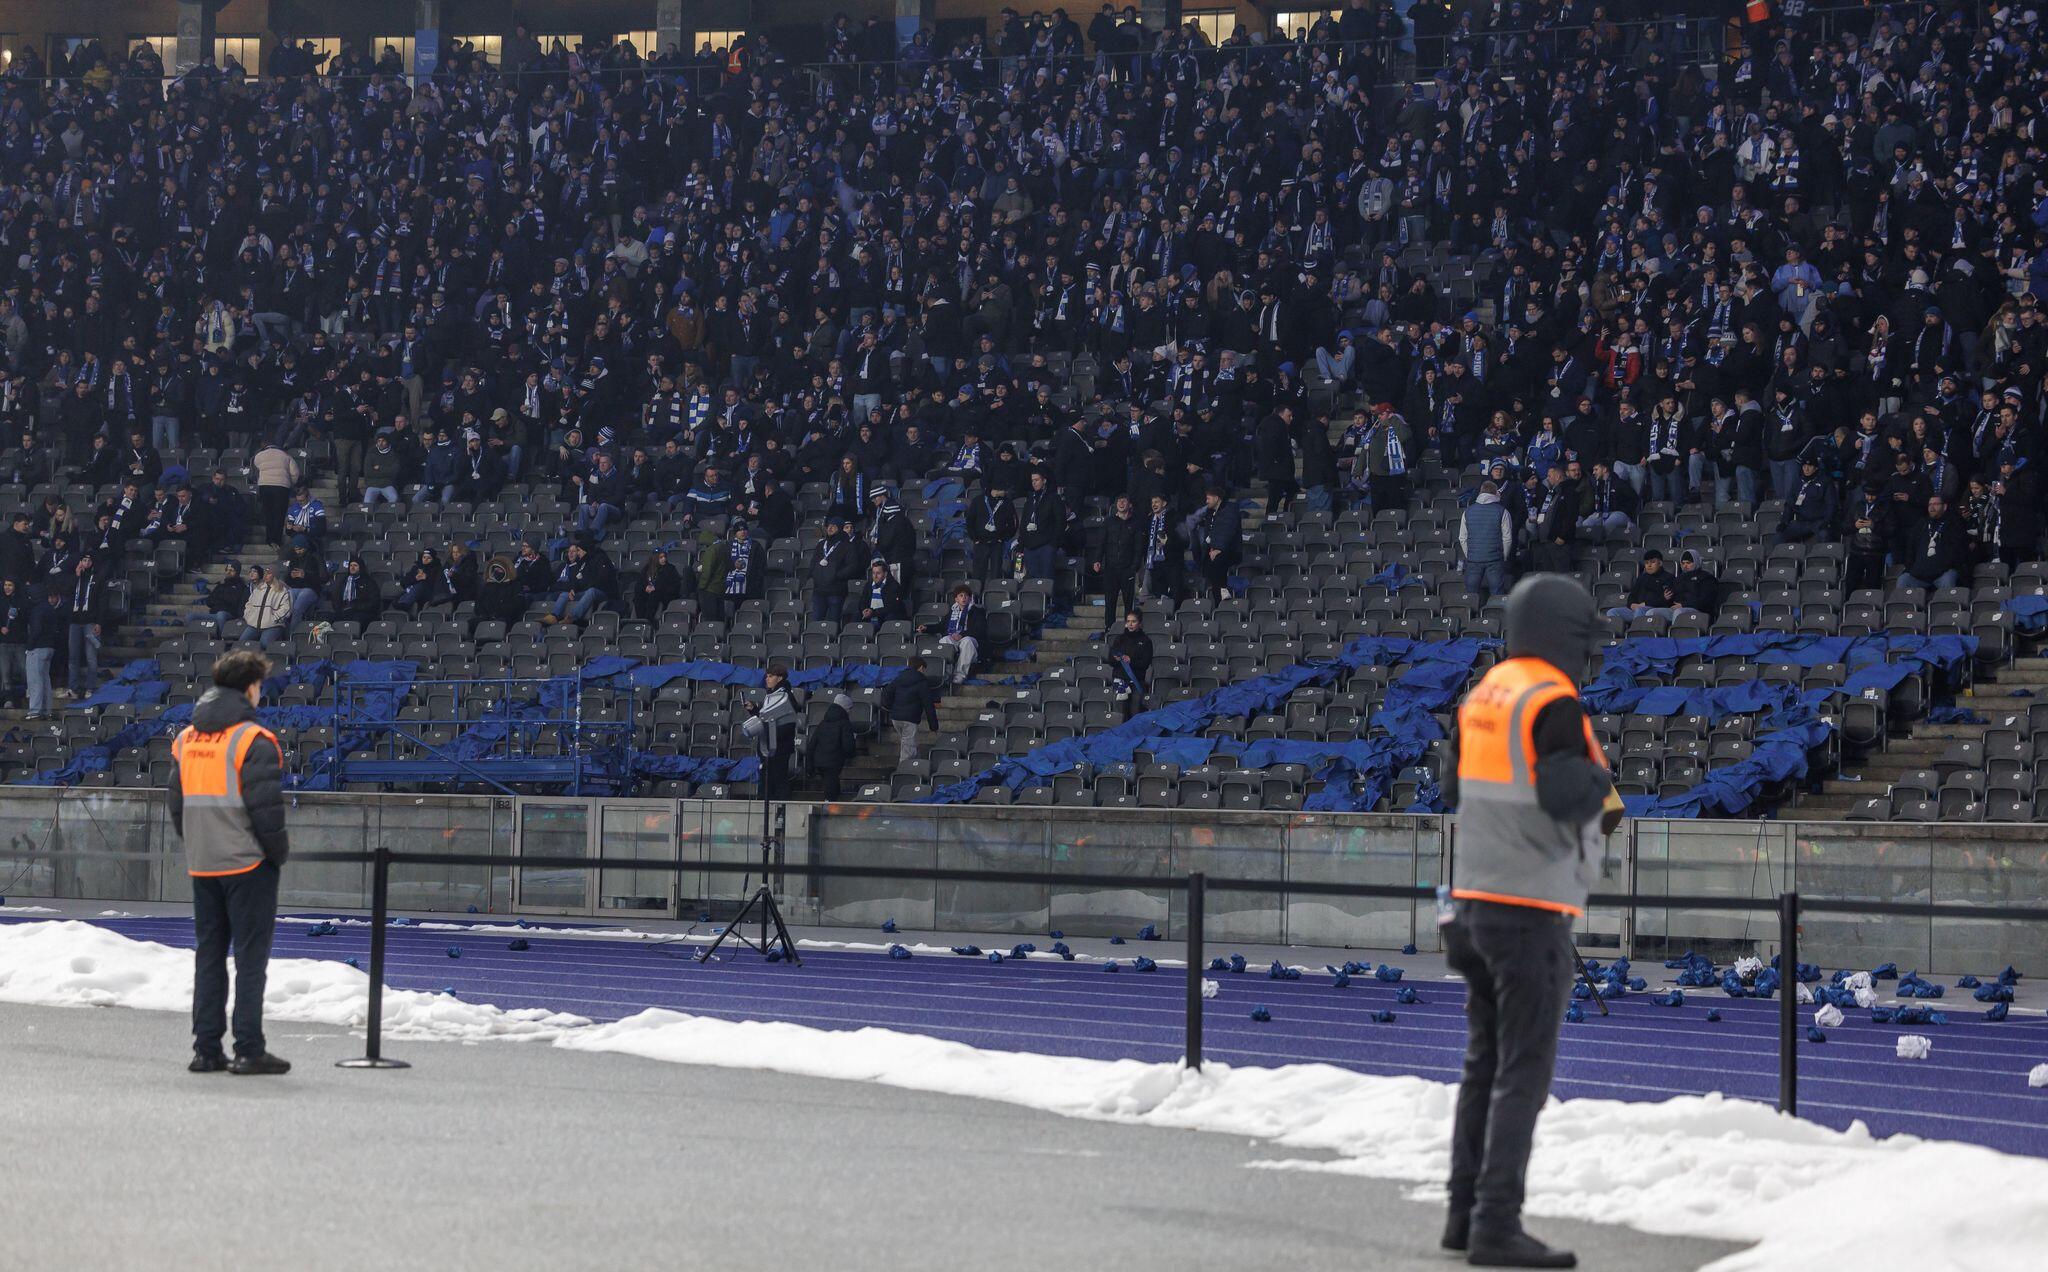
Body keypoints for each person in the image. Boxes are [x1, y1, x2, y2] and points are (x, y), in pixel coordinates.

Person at [1437, 575, 1622, 1268]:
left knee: (1484, 1063)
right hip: (1530, 911)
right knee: (1523, 1072)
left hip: (1474, 902)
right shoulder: (1552, 700)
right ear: (1564, 634)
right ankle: (1496, 1226)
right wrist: (1601, 777)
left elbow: (1453, 786)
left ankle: (1462, 1216)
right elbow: (1567, 795)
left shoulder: (1484, 695)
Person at [168, 650, 292, 1076]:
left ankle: (206, 1050)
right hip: (247, 864)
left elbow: (176, 804)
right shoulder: (253, 739)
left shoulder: (186, 739)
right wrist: (276, 855)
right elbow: (266, 811)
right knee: (250, 961)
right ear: (250, 688)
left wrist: (198, 844)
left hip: (203, 863)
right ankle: (249, 1048)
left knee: (209, 956)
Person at [741, 665, 803, 802]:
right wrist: (753, 709)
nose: (767, 679)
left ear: (779, 678)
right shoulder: (772, 696)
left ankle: (780, 807)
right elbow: (766, 719)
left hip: (779, 746)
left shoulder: (784, 696)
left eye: (771, 676)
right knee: (768, 778)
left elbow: (787, 723)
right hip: (770, 745)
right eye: (767, 676)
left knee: (778, 778)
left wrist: (769, 733)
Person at [1459, 479, 1514, 603]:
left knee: (1471, 596)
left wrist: (1470, 554)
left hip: (1473, 560)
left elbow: (1462, 538)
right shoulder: (1502, 511)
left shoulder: (1468, 511)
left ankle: (1471, 614)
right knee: (1497, 595)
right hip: (1495, 559)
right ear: (1495, 493)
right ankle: (1495, 614)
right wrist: (1503, 556)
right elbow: (1507, 538)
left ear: (1481, 492)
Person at [924, 583, 986, 685]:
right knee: (944, 640)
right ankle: (946, 673)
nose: (964, 598)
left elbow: (979, 629)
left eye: (966, 596)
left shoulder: (977, 612)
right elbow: (941, 626)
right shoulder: (952, 612)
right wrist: (926, 628)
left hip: (970, 639)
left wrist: (962, 635)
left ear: (970, 598)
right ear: (956, 599)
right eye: (961, 595)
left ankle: (960, 675)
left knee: (967, 641)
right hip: (954, 639)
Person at [886, 655, 939, 766]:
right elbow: (928, 705)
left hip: (896, 718)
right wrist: (933, 726)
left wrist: (890, 707)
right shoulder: (922, 682)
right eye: (924, 669)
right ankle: (903, 770)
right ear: (921, 667)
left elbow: (887, 692)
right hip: (909, 719)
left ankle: (917, 765)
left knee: (908, 743)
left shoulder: (899, 678)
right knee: (908, 749)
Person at [23, 584, 64, 720]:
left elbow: (36, 629)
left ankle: (35, 711)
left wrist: (29, 646)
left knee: (35, 680)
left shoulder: (37, 610)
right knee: (45, 680)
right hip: (49, 647)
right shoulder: (50, 608)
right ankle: (47, 710)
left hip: (37, 648)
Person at [809, 692, 859, 801]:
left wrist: (810, 762)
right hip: (834, 760)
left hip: (820, 760)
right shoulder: (844, 723)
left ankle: (832, 800)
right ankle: (830, 803)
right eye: (850, 709)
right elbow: (847, 744)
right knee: (831, 784)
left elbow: (813, 743)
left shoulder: (823, 723)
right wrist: (851, 754)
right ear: (845, 709)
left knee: (829, 782)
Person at [1106, 609, 1153, 720]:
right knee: (1119, 715)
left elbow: (1145, 664)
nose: (1130, 624)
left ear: (1140, 623)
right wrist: (1116, 658)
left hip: (1136, 682)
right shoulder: (1119, 639)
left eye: (1133, 621)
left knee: (1135, 713)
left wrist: (1131, 661)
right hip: (1120, 682)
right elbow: (1110, 660)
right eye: (1128, 621)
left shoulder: (1146, 641)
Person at [238, 565, 292, 648]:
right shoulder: (258, 589)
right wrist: (248, 616)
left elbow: (286, 609)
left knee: (264, 644)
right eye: (265, 573)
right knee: (241, 643)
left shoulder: (282, 591)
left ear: (275, 575)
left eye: (269, 573)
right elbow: (249, 604)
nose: (265, 575)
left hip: (272, 626)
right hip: (254, 625)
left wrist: (274, 618)